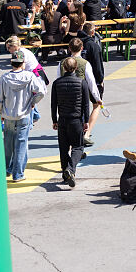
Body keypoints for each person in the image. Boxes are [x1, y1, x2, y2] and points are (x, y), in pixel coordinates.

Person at [0, 50, 47, 182]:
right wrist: (32, 102)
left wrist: (0, 113)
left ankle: (7, 169)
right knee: (21, 144)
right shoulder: (29, 77)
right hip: (24, 114)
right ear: (23, 63)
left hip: (8, 115)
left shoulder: (4, 78)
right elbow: (40, 92)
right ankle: (18, 173)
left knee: (8, 142)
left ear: (11, 62)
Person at [50, 56, 91, 188]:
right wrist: (86, 121)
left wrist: (54, 120)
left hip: (62, 118)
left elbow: (53, 104)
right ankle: (70, 169)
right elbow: (85, 104)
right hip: (76, 119)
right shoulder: (81, 82)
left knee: (63, 148)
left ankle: (65, 173)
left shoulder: (57, 83)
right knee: (78, 147)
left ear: (64, 68)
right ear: (76, 68)